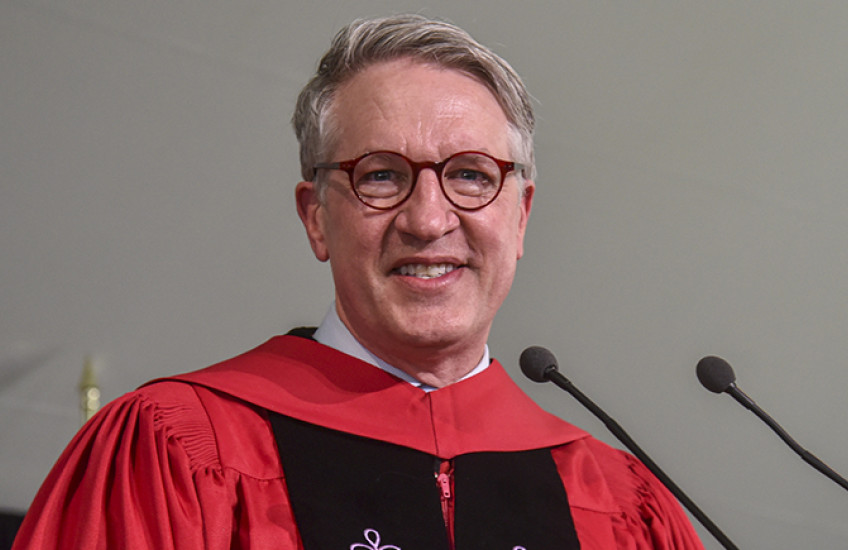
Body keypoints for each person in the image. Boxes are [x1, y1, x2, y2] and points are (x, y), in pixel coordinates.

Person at [13, 14, 704, 550]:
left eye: (470, 174)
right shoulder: (177, 451)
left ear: (519, 217)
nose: (429, 220)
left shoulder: (621, 504)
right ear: (316, 218)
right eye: (380, 175)